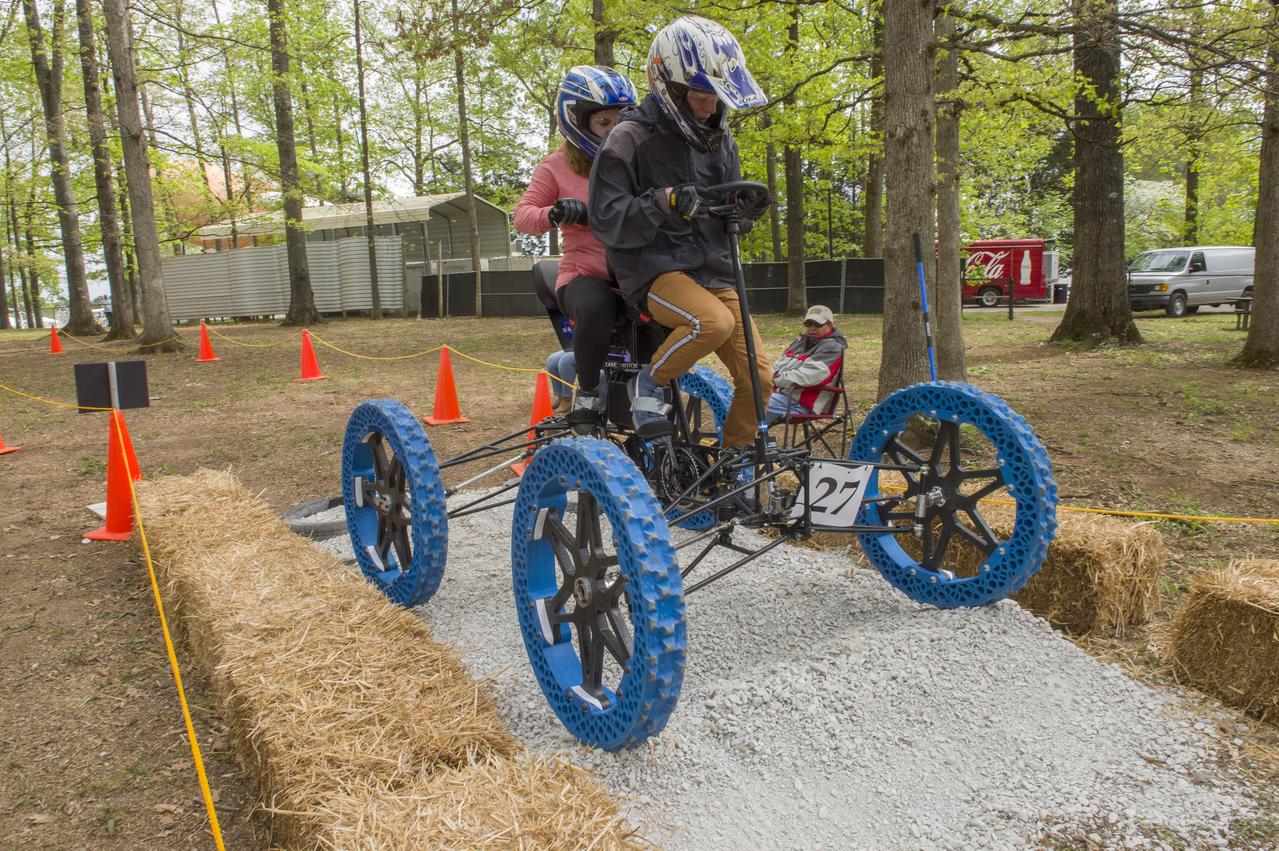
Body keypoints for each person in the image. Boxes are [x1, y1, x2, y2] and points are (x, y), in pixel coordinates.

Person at [589, 15, 771, 448]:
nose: (711, 107)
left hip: (713, 267)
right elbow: (606, 217)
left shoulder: (720, 139)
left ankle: (735, 467)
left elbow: (730, 211)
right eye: (701, 96)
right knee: (712, 323)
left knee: (760, 376)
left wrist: (745, 211)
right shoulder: (628, 138)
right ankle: (649, 383)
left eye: (717, 96)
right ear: (669, 87)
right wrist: (664, 201)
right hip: (653, 267)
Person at [514, 65, 642, 433]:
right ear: (577, 121)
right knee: (595, 305)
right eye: (605, 122)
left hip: (635, 270)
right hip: (585, 273)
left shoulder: (638, 161)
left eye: (622, 121)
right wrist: (555, 213)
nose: (616, 130)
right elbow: (522, 216)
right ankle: (587, 392)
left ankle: (654, 391)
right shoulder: (555, 167)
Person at [766, 305, 848, 424]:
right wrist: (766, 378)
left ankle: (748, 440)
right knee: (740, 400)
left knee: (754, 405)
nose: (812, 328)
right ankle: (750, 439)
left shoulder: (832, 347)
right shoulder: (799, 342)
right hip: (781, 395)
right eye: (809, 324)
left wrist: (774, 379)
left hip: (802, 403)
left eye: (818, 324)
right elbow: (778, 366)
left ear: (829, 326)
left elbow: (808, 376)